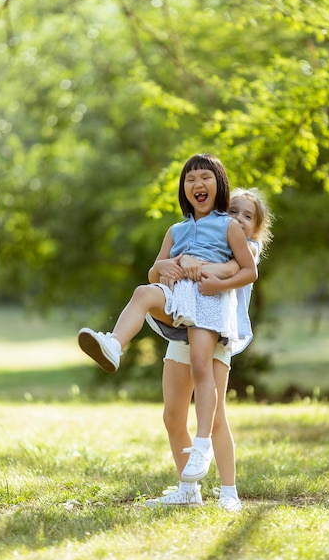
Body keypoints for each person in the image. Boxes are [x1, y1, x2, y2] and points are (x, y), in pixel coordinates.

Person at [78, 153, 258, 484]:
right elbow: (153, 270)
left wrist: (217, 281)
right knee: (143, 292)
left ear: (219, 185)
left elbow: (249, 270)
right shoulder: (175, 230)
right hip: (177, 300)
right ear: (183, 190)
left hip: (207, 302)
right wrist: (163, 267)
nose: (197, 184)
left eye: (204, 177)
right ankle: (114, 345)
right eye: (190, 180)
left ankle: (202, 445)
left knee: (202, 367)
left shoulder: (229, 226)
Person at [145, 187, 274, 510]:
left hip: (218, 332)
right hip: (185, 329)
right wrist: (177, 262)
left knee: (216, 417)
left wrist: (194, 266)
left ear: (256, 227)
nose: (239, 220)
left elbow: (235, 271)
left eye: (248, 216)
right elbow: (161, 268)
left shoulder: (247, 248)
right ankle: (188, 491)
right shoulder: (201, 236)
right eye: (233, 212)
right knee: (173, 414)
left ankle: (229, 491)